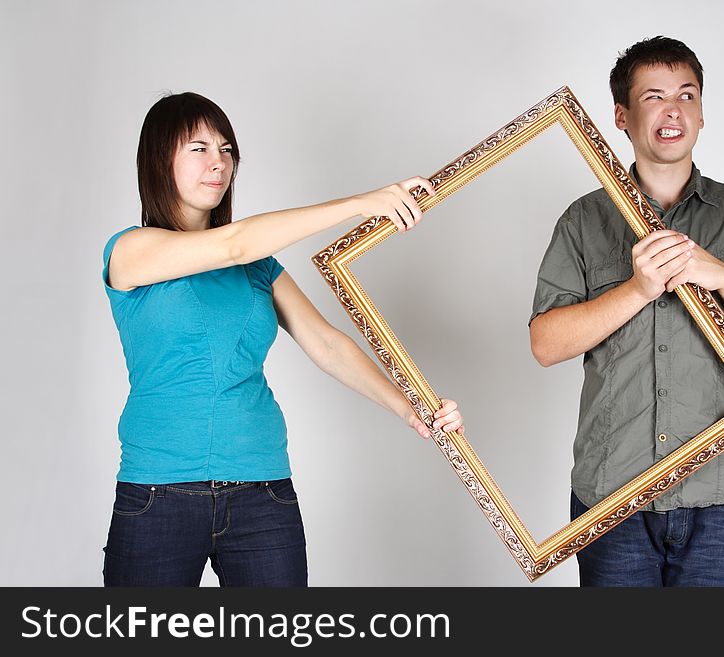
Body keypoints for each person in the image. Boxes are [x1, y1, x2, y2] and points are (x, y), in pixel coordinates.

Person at [102, 92, 463, 587]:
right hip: (158, 495)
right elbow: (232, 244)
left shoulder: (258, 266)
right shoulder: (129, 251)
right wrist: (361, 203)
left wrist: (409, 409)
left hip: (262, 493)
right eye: (199, 148)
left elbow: (326, 343)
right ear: (158, 160)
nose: (219, 163)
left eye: (227, 150)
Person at [529, 37, 724, 586]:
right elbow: (546, 344)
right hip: (612, 501)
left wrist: (722, 276)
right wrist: (635, 289)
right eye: (653, 96)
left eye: (686, 95)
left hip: (720, 500)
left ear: (701, 114)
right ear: (622, 116)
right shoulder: (583, 222)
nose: (672, 109)